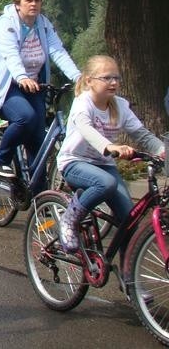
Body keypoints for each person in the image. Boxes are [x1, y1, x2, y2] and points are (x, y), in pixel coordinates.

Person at [56, 55, 165, 252]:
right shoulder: (83, 103)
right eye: (106, 78)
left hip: (103, 165)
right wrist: (110, 147)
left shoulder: (121, 105)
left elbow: (142, 135)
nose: (113, 82)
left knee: (129, 220)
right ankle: (69, 219)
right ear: (89, 80)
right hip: (75, 162)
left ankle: (127, 279)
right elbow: (86, 129)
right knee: (106, 183)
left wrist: (162, 150)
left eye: (116, 78)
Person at [0, 0, 81, 184]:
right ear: (18, 3)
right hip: (6, 86)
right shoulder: (7, 23)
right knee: (25, 117)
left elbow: (57, 51)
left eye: (37, 0)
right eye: (29, 0)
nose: (34, 4)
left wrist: (78, 77)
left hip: (33, 85)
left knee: (37, 138)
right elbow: (10, 54)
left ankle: (40, 198)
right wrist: (22, 76)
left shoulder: (43, 24)